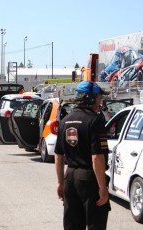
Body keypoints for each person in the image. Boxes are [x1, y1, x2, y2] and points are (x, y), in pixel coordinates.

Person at [54, 81, 111, 230]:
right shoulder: (95, 120)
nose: (101, 100)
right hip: (89, 179)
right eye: (99, 97)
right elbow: (97, 157)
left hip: (70, 177)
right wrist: (102, 187)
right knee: (95, 224)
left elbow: (58, 155)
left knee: (72, 225)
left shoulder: (65, 121)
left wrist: (60, 182)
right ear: (91, 98)